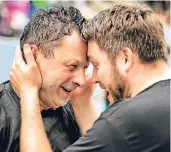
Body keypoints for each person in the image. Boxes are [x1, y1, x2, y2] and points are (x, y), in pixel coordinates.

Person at [10, 3, 170, 152]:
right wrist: (83, 104)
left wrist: (29, 91)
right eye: (73, 66)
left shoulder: (129, 119)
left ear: (126, 59)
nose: (92, 79)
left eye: (96, 65)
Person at [0, 5, 98, 152]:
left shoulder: (77, 110)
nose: (81, 80)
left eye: (85, 68)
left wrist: (85, 105)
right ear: (33, 56)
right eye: (72, 66)